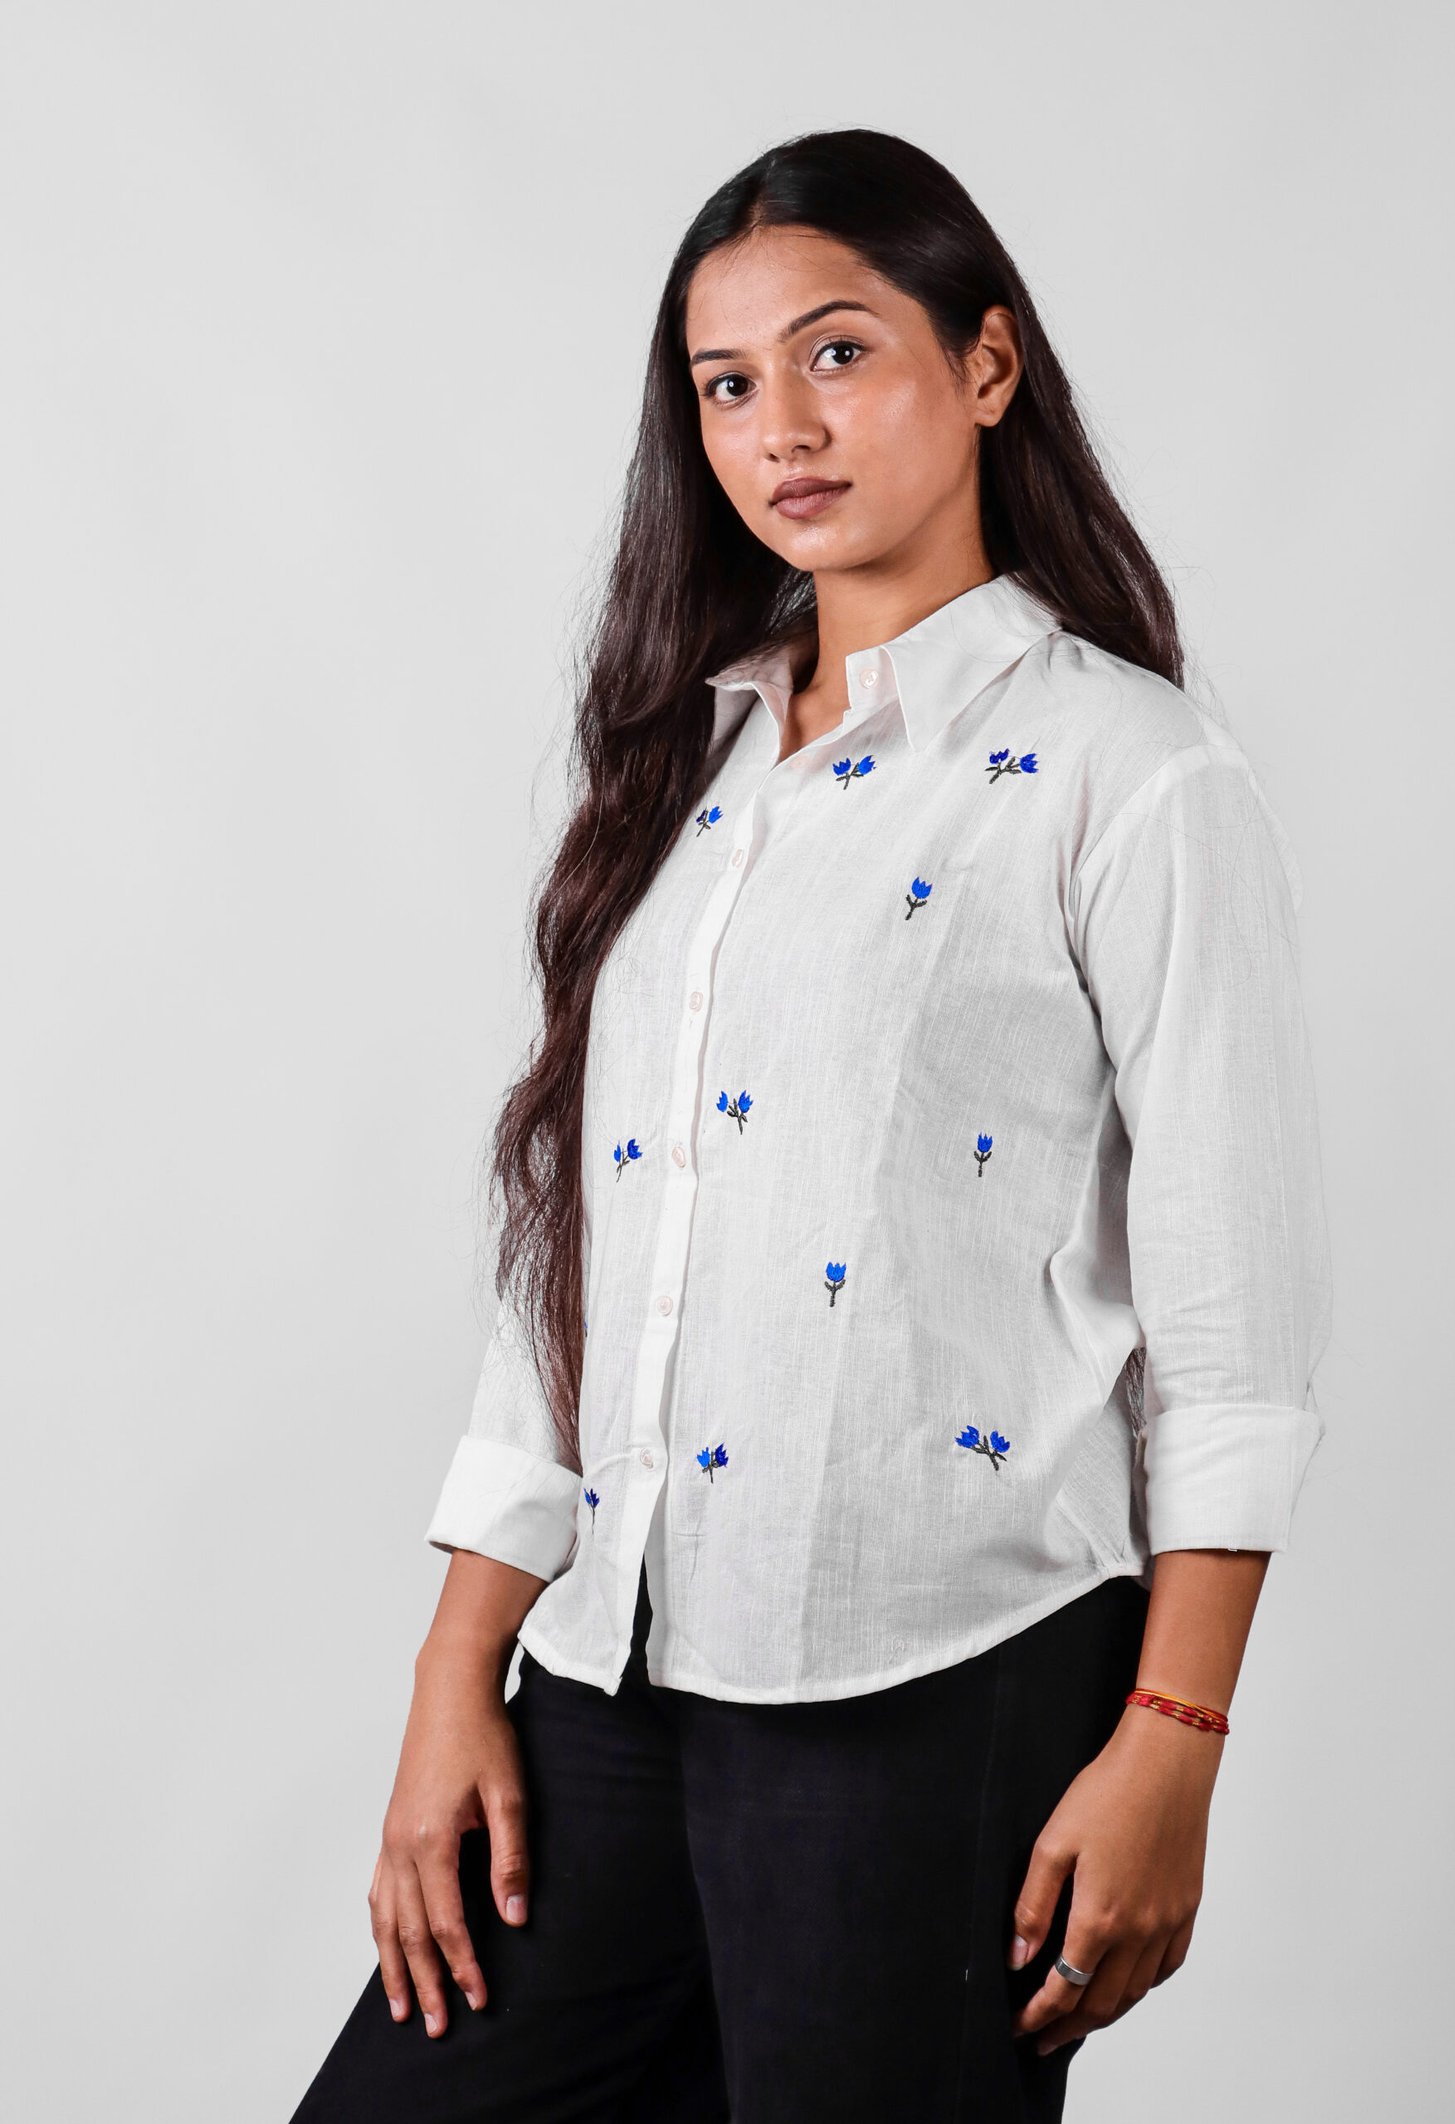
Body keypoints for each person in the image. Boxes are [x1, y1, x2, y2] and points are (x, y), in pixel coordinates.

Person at [289, 126, 1332, 2123]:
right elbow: (584, 1248)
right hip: (612, 1670)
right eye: (726, 383)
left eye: (839, 352)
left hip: (938, 1678)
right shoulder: (685, 768)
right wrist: (454, 1674)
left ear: (986, 364)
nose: (781, 426)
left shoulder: (1132, 775)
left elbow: (1235, 1319)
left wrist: (1175, 1734)